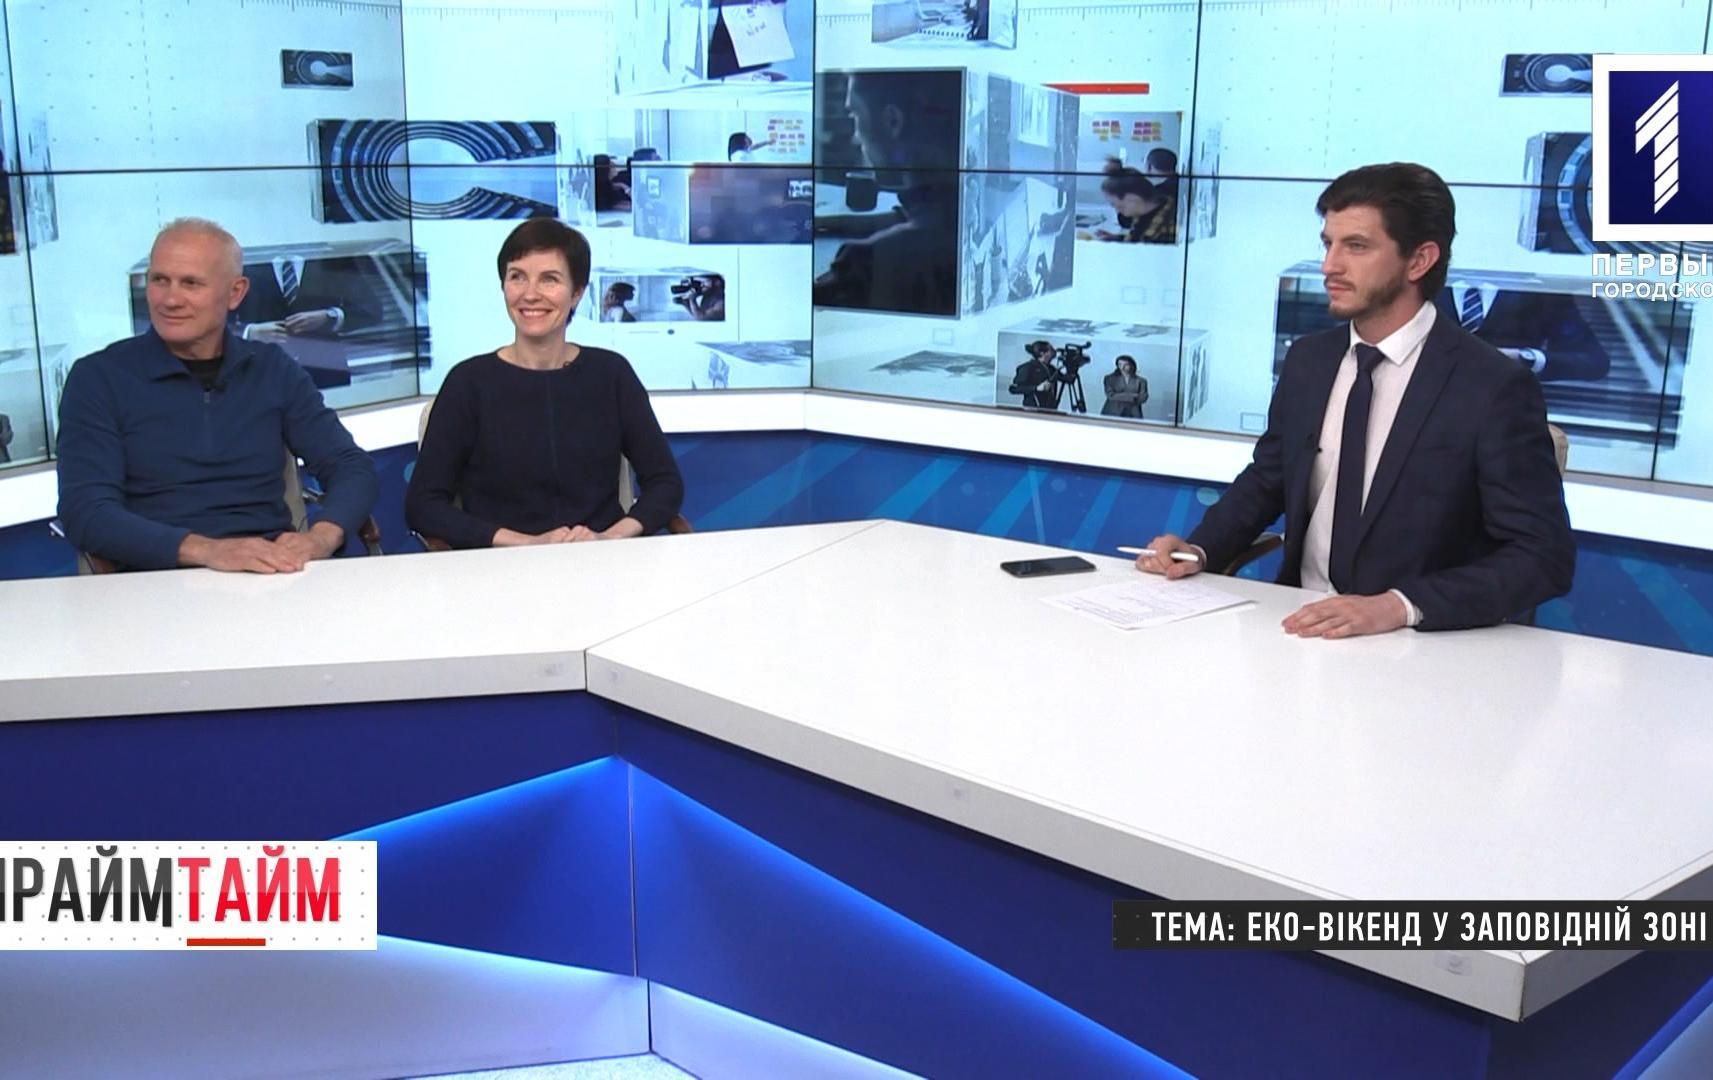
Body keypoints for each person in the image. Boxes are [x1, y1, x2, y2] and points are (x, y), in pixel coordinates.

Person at [1136, 163, 1574, 636]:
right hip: (1297, 624)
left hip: (1411, 642)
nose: (1330, 266)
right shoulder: (1309, 360)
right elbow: (1268, 479)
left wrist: (1399, 606)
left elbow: (1542, 555)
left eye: (1357, 247)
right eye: (1328, 244)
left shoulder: (1491, 385)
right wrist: (1199, 549)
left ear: (1419, 260)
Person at [56, 218, 378, 573]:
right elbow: (86, 511)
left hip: (270, 573)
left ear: (235, 292)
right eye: (159, 280)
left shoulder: (272, 369)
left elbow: (350, 466)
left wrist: (320, 538)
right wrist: (208, 551)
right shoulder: (98, 378)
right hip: (155, 579)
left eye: (190, 283)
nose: (170, 299)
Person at [406, 218, 683, 548]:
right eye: (517, 277)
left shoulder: (611, 374)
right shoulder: (468, 383)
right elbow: (423, 505)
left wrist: (609, 537)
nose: (530, 294)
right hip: (499, 565)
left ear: (577, 293)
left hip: (601, 559)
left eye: (549, 279)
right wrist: (523, 543)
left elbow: (665, 483)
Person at [812, 71, 960, 316]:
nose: (856, 138)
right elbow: (904, 217)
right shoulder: (960, 207)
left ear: (893, 121)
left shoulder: (865, 263)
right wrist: (822, 222)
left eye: (856, 115)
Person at [1095, 153, 1177, 245]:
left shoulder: (1164, 227)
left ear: (1132, 199)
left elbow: (1146, 247)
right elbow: (1138, 238)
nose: (1116, 209)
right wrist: (1116, 238)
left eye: (1114, 204)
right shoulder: (1147, 212)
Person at [1009, 340, 1060, 410]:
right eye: (1051, 349)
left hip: (1049, 409)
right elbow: (1014, 388)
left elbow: (1068, 379)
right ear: (1042, 353)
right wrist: (1036, 388)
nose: (1054, 351)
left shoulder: (1052, 369)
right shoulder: (1028, 367)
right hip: (1033, 409)